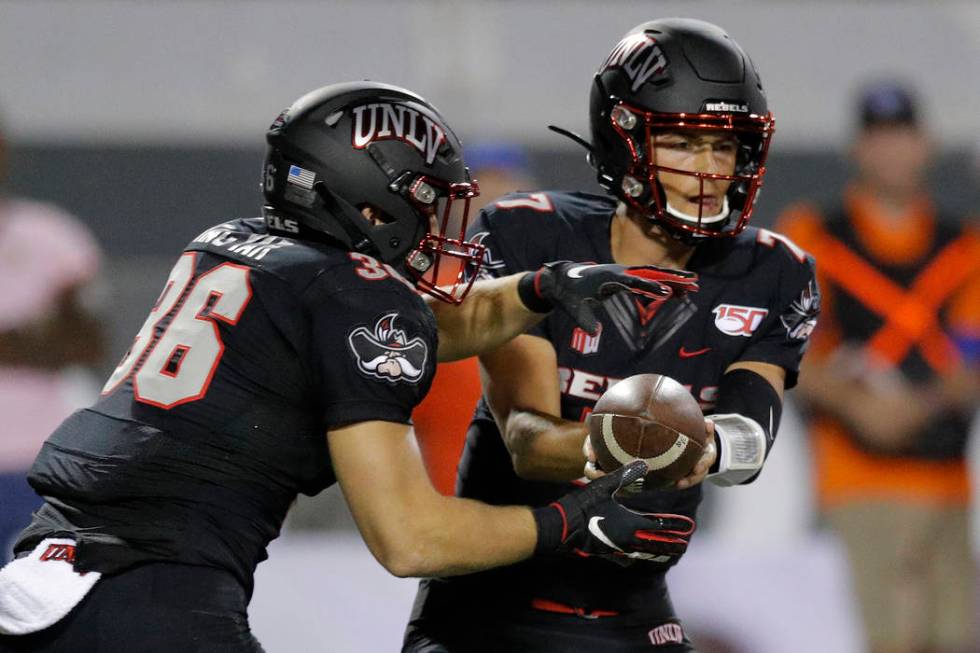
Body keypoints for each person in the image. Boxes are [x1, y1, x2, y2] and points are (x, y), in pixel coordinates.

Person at [0, 81, 699, 652]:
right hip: (153, 597)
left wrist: (536, 289)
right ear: (372, 199)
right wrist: (565, 521)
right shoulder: (354, 291)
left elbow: (412, 324)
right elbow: (409, 537)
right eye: (427, 201)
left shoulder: (226, 245)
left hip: (40, 574)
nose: (438, 228)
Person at [403, 18, 820, 653]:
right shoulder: (534, 237)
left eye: (725, 147)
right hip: (487, 609)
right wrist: (655, 446)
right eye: (683, 142)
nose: (709, 170)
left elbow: (747, 440)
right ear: (626, 141)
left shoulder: (772, 270)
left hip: (633, 612)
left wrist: (703, 447)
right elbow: (529, 441)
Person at [777, 81, 980, 653]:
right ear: (857, 148)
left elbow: (972, 353)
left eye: (903, 136)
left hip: (946, 479)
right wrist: (860, 406)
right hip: (860, 475)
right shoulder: (814, 234)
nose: (892, 151)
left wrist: (923, 404)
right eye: (878, 137)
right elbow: (791, 345)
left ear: (927, 145)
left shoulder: (963, 247)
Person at [0, 116, 105, 562]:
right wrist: (25, 340)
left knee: (31, 607)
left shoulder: (51, 238)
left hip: (36, 462)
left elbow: (87, 342)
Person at [413, 141, 538, 495]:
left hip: (551, 500)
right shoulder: (427, 286)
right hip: (451, 497)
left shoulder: (561, 282)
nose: (496, 198)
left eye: (508, 186)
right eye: (482, 187)